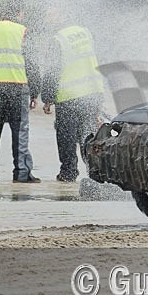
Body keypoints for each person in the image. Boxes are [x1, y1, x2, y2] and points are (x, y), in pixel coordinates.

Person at [0, 1, 41, 183]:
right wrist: (35, 92)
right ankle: (21, 174)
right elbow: (32, 63)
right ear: (18, 14)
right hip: (17, 88)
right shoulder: (22, 31)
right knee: (19, 132)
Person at [41, 16, 104, 183]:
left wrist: (47, 98)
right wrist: (100, 96)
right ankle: (94, 172)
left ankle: (68, 173)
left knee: (66, 138)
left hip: (68, 96)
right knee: (88, 136)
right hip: (91, 93)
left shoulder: (58, 40)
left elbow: (52, 70)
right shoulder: (87, 34)